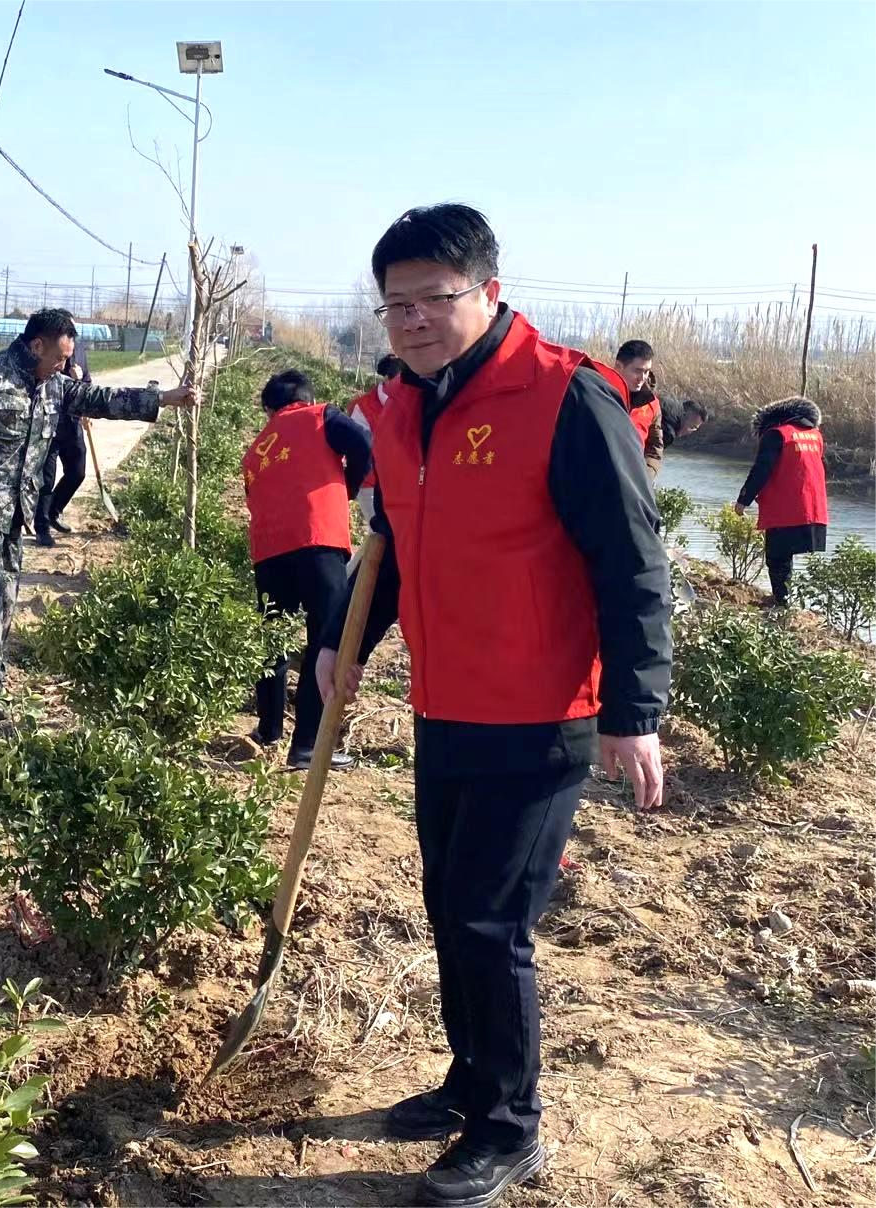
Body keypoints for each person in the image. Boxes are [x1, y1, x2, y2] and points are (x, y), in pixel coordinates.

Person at [315, 205, 672, 1207]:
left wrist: (634, 709)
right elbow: (392, 545)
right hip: (444, 704)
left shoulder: (564, 396)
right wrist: (340, 641)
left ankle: (511, 1127)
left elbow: (633, 563)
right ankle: (471, 1080)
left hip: (541, 712)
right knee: (448, 901)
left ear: (488, 292)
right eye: (395, 303)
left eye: (434, 297)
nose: (413, 318)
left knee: (486, 917)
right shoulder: (402, 406)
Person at [0, 308, 195, 722]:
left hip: (16, 512)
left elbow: (101, 399)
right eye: (60, 356)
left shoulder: (54, 385)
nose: (65, 365)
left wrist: (162, 398)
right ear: (37, 345)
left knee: (5, 599)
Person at [242, 369, 371, 771]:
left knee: (273, 640)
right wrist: (347, 487)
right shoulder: (320, 416)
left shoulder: (256, 448)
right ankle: (307, 746)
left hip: (269, 552)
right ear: (307, 397)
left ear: (269, 409)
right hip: (319, 541)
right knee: (324, 640)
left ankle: (268, 729)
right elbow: (364, 443)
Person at [734, 397, 827, 606]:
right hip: (813, 508)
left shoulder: (776, 434)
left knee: (777, 557)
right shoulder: (815, 435)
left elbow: (761, 469)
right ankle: (787, 601)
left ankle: (781, 603)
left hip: (786, 508)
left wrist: (743, 500)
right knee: (786, 556)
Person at [33, 344, 92, 548]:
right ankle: (42, 527)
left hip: (72, 423)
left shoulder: (79, 349)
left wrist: (87, 409)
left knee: (77, 472)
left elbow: (87, 383)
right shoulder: (48, 347)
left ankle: (54, 510)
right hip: (49, 423)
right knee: (46, 479)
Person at [344, 353, 402, 528]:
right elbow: (361, 448)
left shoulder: (413, 400)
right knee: (380, 533)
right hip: (371, 483)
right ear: (387, 378)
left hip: (404, 481)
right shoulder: (363, 406)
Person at [614, 340, 665, 478]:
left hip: (633, 482)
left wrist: (645, 479)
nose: (642, 378)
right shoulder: (598, 395)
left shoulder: (652, 404)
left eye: (646, 371)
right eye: (637, 371)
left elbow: (654, 448)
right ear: (619, 366)